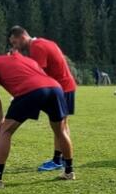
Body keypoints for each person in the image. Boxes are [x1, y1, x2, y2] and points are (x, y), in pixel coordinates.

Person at [0, 51, 75, 188]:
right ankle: (69, 172)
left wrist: (1, 120)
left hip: (31, 90)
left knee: (5, 131)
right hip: (55, 87)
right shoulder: (16, 59)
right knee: (61, 131)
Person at [8, 26, 78, 172]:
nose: (15, 46)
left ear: (22, 37)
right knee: (61, 125)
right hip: (64, 86)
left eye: (15, 42)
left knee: (59, 126)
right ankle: (61, 159)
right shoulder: (43, 42)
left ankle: (58, 160)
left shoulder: (37, 47)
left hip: (62, 88)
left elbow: (36, 74)